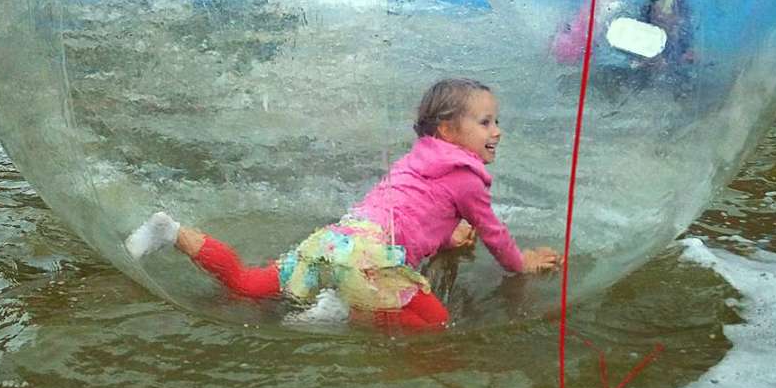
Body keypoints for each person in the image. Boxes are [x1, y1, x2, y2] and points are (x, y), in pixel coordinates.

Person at [125, 78, 561, 330]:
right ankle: (347, 312)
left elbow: (410, 214)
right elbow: (494, 234)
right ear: (448, 131)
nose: (497, 131)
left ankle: (172, 232)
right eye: (485, 122)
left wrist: (446, 236)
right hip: (370, 261)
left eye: (496, 121)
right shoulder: (467, 178)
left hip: (336, 240)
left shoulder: (417, 160)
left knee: (246, 283)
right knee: (434, 327)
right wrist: (520, 263)